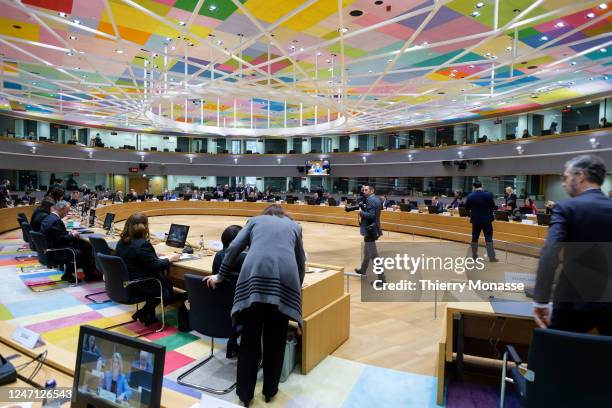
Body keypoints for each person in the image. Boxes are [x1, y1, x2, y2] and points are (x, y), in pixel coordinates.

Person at [205, 205, 305, 406]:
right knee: (275, 341)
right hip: (283, 285)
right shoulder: (294, 226)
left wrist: (221, 274)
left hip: (254, 285)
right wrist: (296, 286)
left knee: (250, 340)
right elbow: (300, 261)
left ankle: (245, 395)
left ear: (266, 213)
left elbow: (233, 247)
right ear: (283, 215)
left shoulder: (255, 221)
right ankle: (270, 391)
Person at [533, 155, 612, 334]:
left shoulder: (566, 208)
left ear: (581, 176)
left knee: (560, 357)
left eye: (566, 177)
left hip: (572, 302)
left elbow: (550, 254)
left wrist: (541, 301)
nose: (563, 183)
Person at [115, 213, 179, 326]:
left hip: (126, 282)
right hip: (141, 283)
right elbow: (155, 266)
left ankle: (146, 314)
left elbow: (135, 256)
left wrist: (153, 254)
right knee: (165, 286)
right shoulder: (143, 244)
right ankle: (143, 313)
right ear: (144, 226)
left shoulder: (121, 242)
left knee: (162, 283)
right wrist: (170, 259)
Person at [212, 224, 247, 358]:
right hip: (241, 307)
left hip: (221, 307)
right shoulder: (245, 258)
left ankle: (232, 342)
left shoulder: (218, 256)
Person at [39, 200, 97, 282]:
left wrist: (69, 234)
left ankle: (68, 274)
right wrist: (72, 235)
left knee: (80, 245)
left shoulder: (49, 217)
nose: (67, 214)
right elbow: (61, 239)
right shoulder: (56, 221)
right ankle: (89, 276)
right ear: (61, 209)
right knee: (86, 249)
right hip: (56, 252)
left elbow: (58, 236)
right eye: (66, 211)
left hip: (49, 249)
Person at [353, 185, 383, 279]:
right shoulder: (376, 199)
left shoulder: (370, 200)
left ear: (372, 190)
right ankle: (363, 270)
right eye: (364, 190)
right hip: (372, 229)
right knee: (367, 253)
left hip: (370, 230)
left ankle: (382, 279)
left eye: (366, 190)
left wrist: (360, 212)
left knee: (374, 256)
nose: (364, 191)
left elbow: (371, 215)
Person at [465, 181, 498, 262]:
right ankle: (491, 257)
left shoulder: (470, 196)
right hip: (487, 220)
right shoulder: (488, 195)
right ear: (482, 186)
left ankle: (474, 255)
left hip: (476, 220)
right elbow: (493, 206)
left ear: (474, 187)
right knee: (489, 238)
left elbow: (466, 208)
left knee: (475, 238)